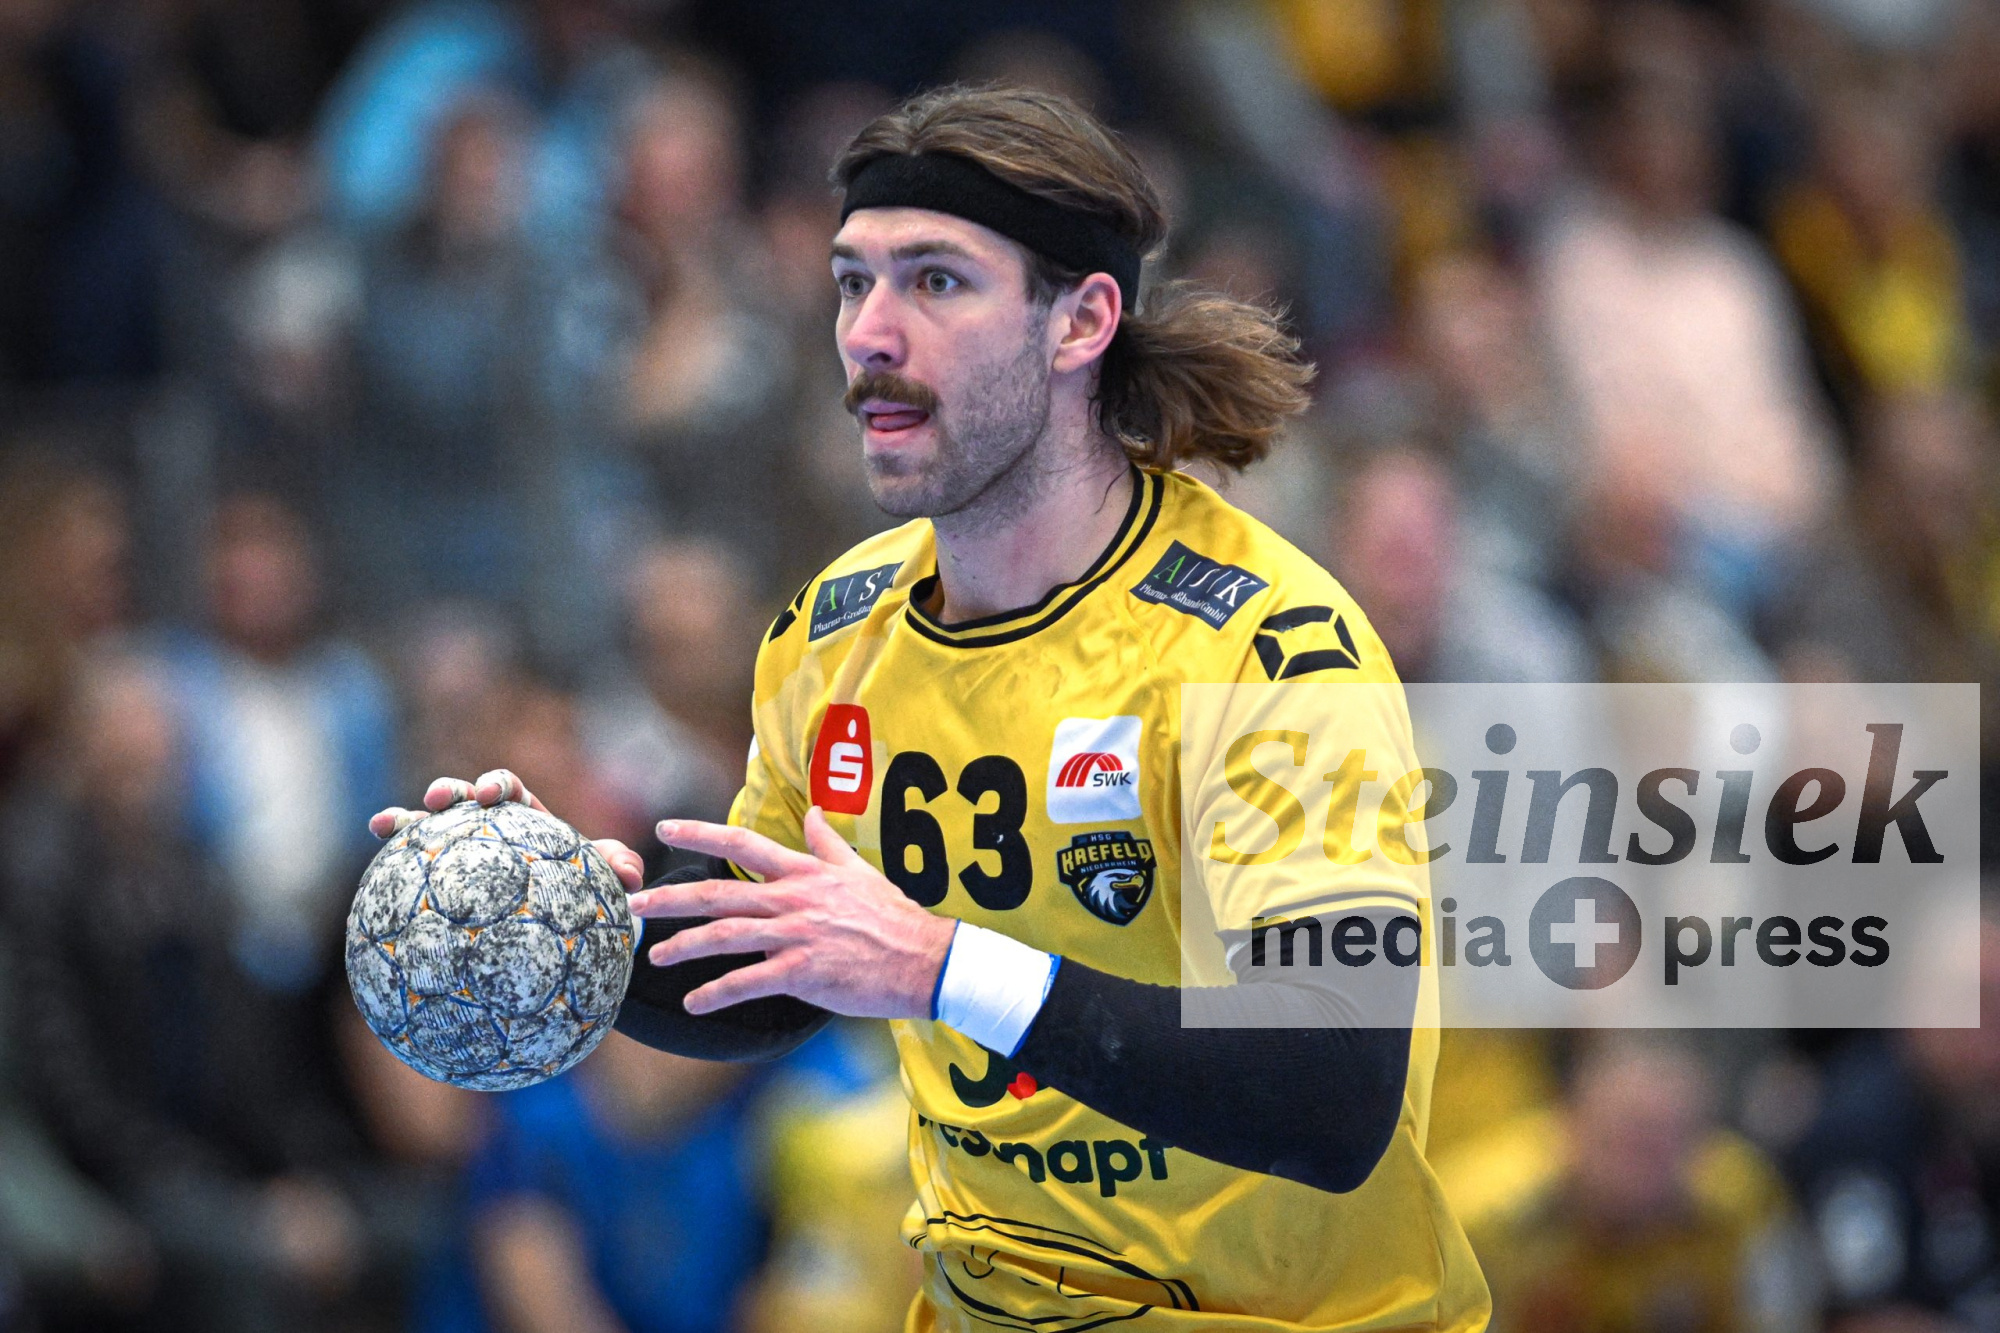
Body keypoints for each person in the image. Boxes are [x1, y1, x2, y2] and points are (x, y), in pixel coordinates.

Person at [375, 85, 1489, 1329]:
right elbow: (788, 974)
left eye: (936, 282)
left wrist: (944, 965)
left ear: (1080, 321)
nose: (868, 333)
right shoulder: (832, 634)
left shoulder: (1265, 649)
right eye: (851, 282)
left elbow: (1331, 1091)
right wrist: (565, 923)